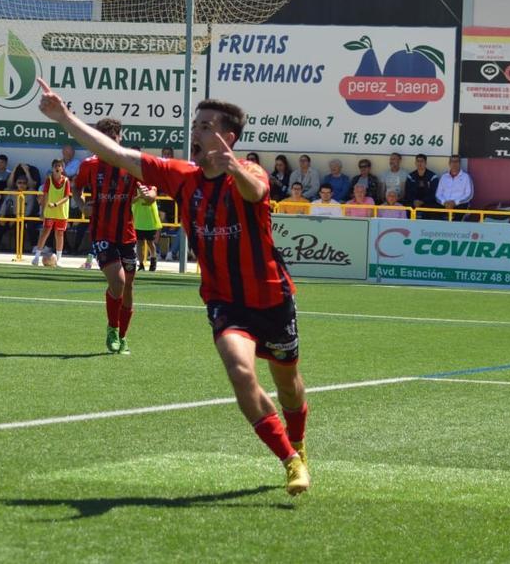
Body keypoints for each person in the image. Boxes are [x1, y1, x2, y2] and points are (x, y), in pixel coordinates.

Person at [37, 81, 311, 496]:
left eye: (204, 126)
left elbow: (255, 190)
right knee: (240, 371)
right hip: (225, 302)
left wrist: (233, 165)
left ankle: (300, 442)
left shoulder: (251, 172)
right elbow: (118, 154)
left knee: (288, 383)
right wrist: (64, 118)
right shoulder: (182, 177)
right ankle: (290, 460)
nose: (194, 133)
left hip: (271, 297)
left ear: (228, 137)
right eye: (195, 125)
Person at [71, 117, 140, 355]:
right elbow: (76, 188)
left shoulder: (131, 162)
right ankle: (112, 328)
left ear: (120, 138)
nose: (111, 143)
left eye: (115, 138)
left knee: (128, 286)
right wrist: (81, 205)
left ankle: (122, 336)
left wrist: (149, 193)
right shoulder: (90, 165)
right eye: (106, 139)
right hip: (102, 232)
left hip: (127, 234)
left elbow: (149, 186)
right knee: (118, 281)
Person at [31, 159, 72, 266]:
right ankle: (36, 257)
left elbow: (67, 197)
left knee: (59, 234)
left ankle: (59, 259)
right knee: (45, 232)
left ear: (62, 169)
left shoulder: (66, 181)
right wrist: (42, 212)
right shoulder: (49, 180)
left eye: (59, 166)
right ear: (52, 168)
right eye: (55, 166)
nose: (57, 168)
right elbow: (45, 195)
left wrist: (56, 204)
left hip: (61, 211)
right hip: (49, 211)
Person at [132, 182, 162, 271]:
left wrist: (144, 195)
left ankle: (153, 262)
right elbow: (131, 200)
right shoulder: (133, 189)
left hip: (150, 221)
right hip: (138, 220)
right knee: (139, 243)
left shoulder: (153, 187)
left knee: (150, 243)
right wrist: (140, 196)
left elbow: (151, 199)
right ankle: (141, 264)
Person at [403, 153, 439, 218]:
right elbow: (407, 192)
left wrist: (422, 201)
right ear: (415, 163)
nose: (420, 163)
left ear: (425, 163)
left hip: (427, 202)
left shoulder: (432, 176)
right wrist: (414, 201)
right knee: (407, 207)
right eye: (418, 161)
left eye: (422, 161)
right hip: (413, 202)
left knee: (433, 208)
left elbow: (433, 193)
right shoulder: (410, 176)